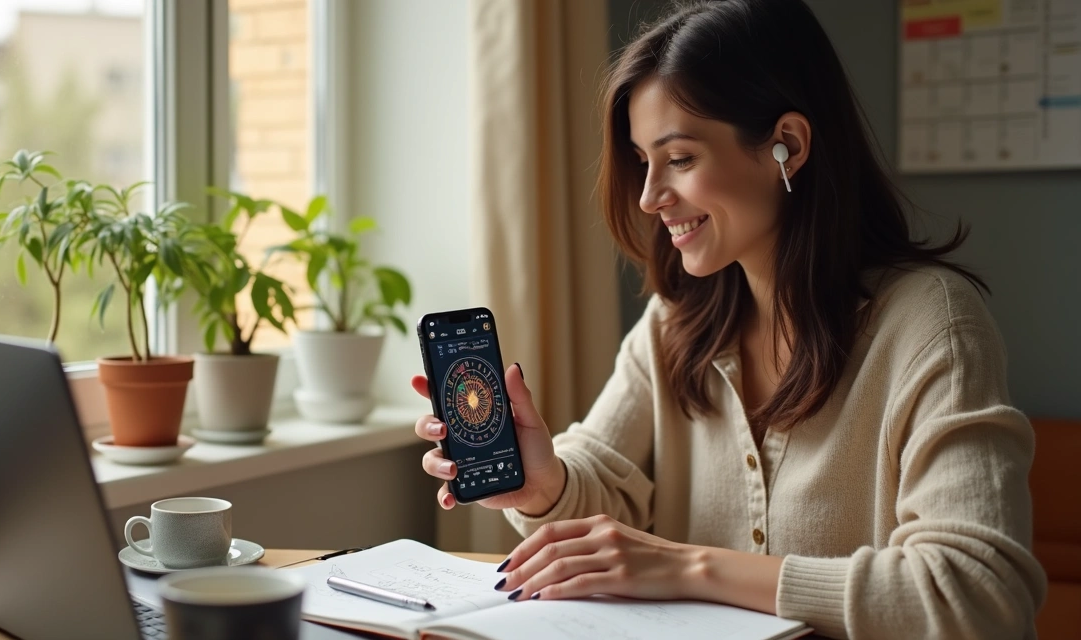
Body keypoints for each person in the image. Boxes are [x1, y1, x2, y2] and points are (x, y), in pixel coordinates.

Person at [410, 0, 1046, 638]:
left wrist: (690, 567)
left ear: (786, 147)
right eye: (642, 160)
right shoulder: (674, 323)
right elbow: (600, 473)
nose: (649, 196)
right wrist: (542, 483)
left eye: (680, 159)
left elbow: (979, 593)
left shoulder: (931, 324)